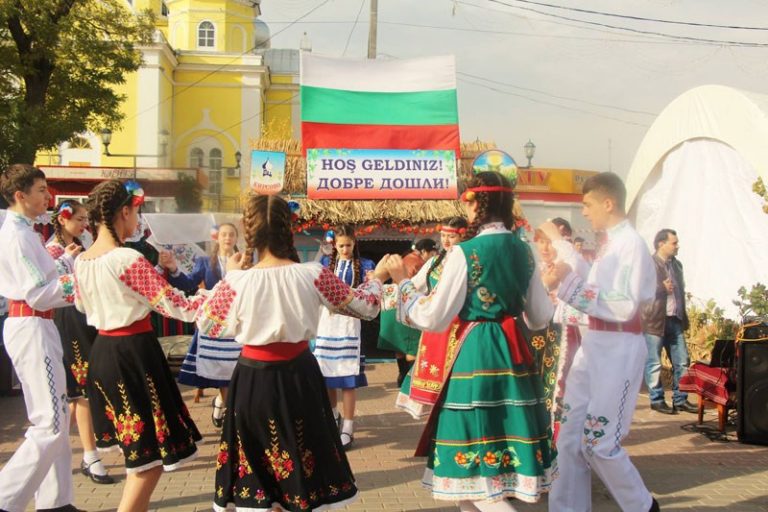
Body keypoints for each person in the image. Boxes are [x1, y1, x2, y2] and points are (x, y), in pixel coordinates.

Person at [195, 194, 386, 512]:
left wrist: (232, 278)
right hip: (300, 376)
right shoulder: (313, 274)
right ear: (289, 229)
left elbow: (208, 324)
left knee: (257, 470)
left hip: (252, 379)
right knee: (303, 465)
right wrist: (377, 279)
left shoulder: (238, 281)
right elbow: (365, 306)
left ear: (250, 232)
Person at [385, 172, 555, 511]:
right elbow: (539, 316)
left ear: (479, 203)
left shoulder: (465, 252)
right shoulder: (525, 251)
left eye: (469, 201)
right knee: (473, 480)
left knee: (473, 469)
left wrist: (403, 284)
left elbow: (435, 316)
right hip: (514, 355)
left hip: (476, 355)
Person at [75, 180, 205, 512]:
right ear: (124, 211)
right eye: (136, 212)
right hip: (133, 353)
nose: (138, 221)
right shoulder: (126, 259)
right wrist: (219, 295)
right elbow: (177, 304)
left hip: (103, 352)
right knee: (147, 461)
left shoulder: (83, 260)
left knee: (140, 456)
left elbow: (80, 305)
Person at [543, 172, 660, 512]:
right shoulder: (610, 243)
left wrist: (567, 286)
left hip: (617, 348)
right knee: (568, 438)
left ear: (608, 203)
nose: (584, 211)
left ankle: (643, 506)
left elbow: (622, 304)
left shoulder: (630, 244)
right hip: (593, 346)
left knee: (598, 442)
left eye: (588, 204)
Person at [0, 164, 83, 512]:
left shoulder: (26, 231)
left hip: (39, 325)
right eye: (40, 189)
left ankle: (56, 500)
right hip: (30, 324)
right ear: (20, 196)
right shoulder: (17, 235)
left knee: (56, 415)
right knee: (48, 421)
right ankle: (7, 498)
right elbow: (37, 292)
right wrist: (84, 281)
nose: (47, 196)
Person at [47, 201, 115, 485]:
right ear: (63, 220)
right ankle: (90, 455)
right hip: (66, 317)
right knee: (81, 390)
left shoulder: (83, 243)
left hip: (85, 315)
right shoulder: (51, 250)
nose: (84, 224)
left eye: (87, 219)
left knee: (79, 394)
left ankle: (52, 451)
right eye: (79, 219)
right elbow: (49, 284)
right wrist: (67, 260)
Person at [159, 222, 241, 427]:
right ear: (217, 238)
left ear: (236, 238)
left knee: (235, 369)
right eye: (224, 234)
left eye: (231, 234)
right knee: (223, 370)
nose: (227, 238)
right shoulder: (205, 262)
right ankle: (229, 412)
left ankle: (221, 402)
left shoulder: (242, 261)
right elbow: (188, 285)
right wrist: (174, 269)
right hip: (214, 322)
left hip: (236, 322)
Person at [395, 217, 468, 420]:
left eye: (451, 236)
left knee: (454, 385)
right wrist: (384, 288)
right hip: (436, 329)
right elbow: (414, 284)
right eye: (443, 235)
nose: (446, 240)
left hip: (459, 329)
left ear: (463, 235)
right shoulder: (435, 262)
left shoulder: (467, 259)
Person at [313, 225, 375, 449]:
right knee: (328, 375)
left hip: (350, 325)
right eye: (341, 246)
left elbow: (371, 291)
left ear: (354, 243)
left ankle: (348, 426)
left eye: (349, 245)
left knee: (348, 379)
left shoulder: (366, 265)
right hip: (327, 324)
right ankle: (332, 417)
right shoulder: (325, 264)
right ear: (334, 245)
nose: (345, 249)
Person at [531, 221, 589, 441]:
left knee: (563, 385)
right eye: (541, 242)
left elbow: (574, 263)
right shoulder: (536, 269)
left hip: (564, 335)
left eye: (551, 242)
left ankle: (562, 444)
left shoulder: (570, 265)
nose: (545, 248)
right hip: (537, 336)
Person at [642, 229, 696, 415]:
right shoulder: (647, 264)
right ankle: (656, 399)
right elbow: (637, 288)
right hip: (654, 320)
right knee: (654, 363)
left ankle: (680, 399)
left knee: (682, 361)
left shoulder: (677, 265)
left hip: (674, 319)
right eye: (674, 243)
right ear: (660, 244)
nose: (677, 246)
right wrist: (659, 287)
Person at [378, 238, 436, 386]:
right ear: (424, 252)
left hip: (392, 304)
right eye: (432, 252)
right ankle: (409, 380)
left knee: (399, 346)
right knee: (412, 347)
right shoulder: (420, 262)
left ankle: (402, 376)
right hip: (407, 304)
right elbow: (415, 285)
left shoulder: (406, 258)